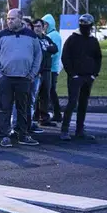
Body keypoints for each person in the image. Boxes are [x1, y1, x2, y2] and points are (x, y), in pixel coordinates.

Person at [0, 9, 41, 148]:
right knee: (4, 108)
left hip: (24, 78)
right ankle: (5, 135)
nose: (9, 21)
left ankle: (23, 135)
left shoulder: (31, 36)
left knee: (22, 108)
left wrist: (32, 74)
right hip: (5, 78)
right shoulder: (1, 35)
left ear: (20, 19)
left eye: (12, 18)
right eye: (8, 18)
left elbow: (38, 56)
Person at [60, 13, 102, 141]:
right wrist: (73, 74)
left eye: (87, 25)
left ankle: (80, 130)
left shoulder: (93, 40)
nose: (86, 28)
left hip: (88, 77)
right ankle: (65, 130)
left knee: (83, 104)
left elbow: (98, 57)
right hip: (75, 77)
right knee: (72, 103)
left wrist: (94, 74)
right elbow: (65, 57)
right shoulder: (72, 39)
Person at [31, 18, 57, 132]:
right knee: (34, 95)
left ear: (43, 27)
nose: (37, 28)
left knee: (45, 94)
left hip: (47, 70)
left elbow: (55, 48)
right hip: (37, 71)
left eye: (39, 26)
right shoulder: (32, 39)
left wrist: (46, 48)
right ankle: (33, 117)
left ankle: (44, 117)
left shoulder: (46, 38)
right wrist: (46, 49)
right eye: (35, 26)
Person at [42, 14, 63, 124]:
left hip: (51, 68)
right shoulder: (52, 34)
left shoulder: (53, 36)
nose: (43, 26)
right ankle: (57, 113)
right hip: (52, 67)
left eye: (45, 24)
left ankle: (57, 113)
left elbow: (55, 52)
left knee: (50, 91)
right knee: (51, 91)